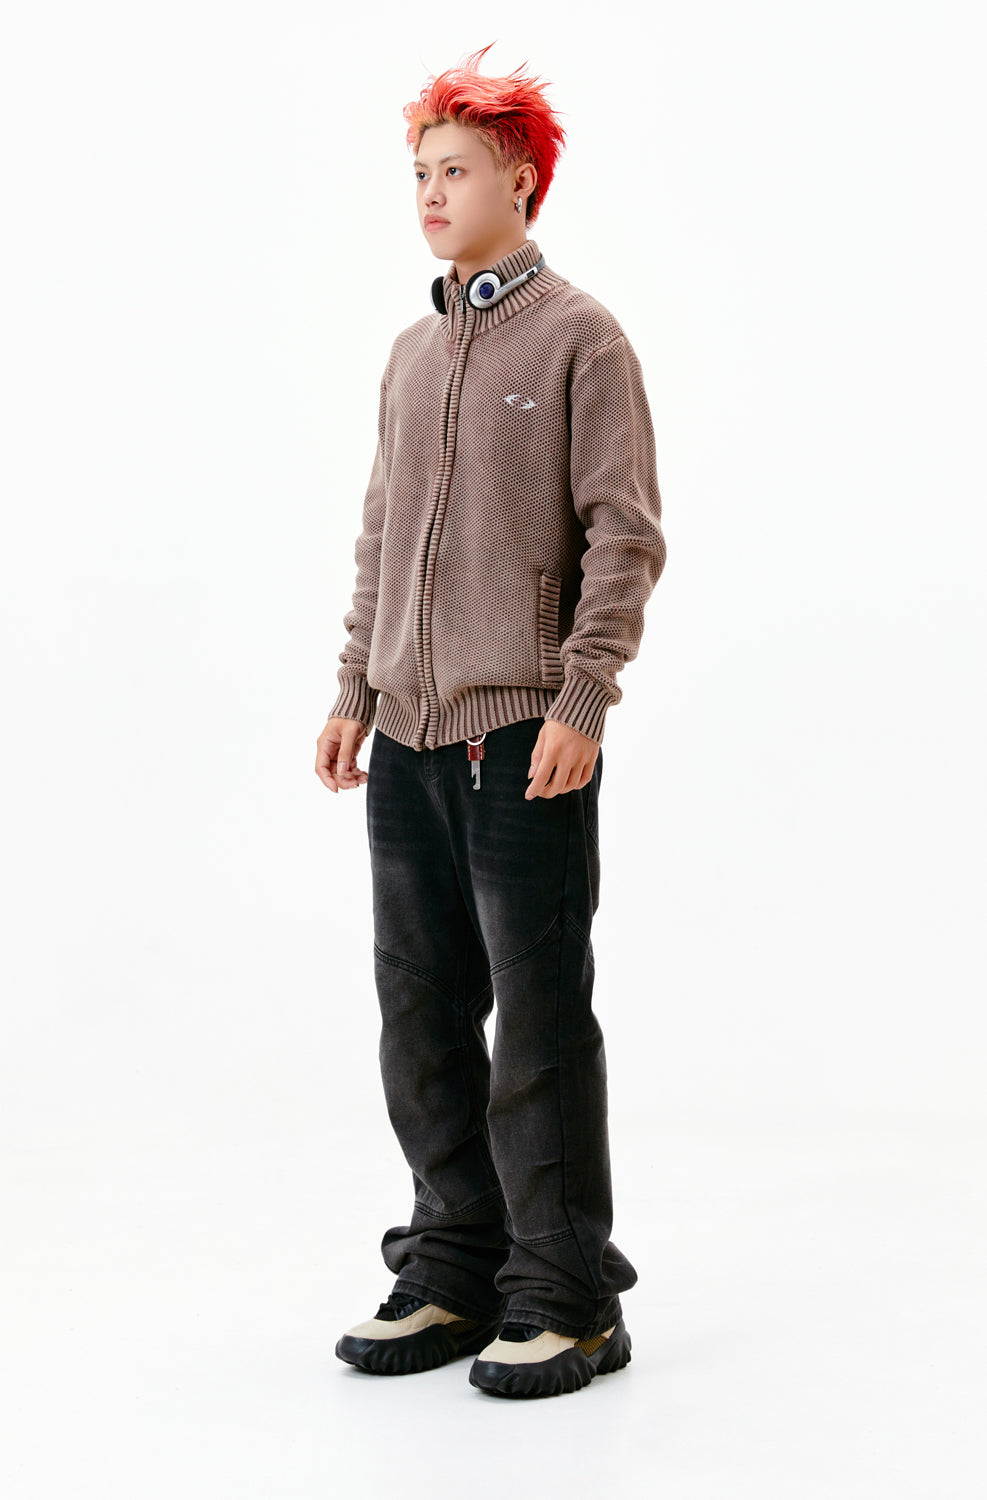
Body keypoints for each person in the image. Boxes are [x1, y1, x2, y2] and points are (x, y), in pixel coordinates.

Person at [314, 44, 667, 1400]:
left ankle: (567, 1294)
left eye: (454, 170)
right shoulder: (411, 356)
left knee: (537, 1016)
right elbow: (381, 536)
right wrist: (354, 689)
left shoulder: (582, 338)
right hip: (408, 735)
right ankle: (456, 1265)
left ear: (520, 182)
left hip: (523, 734)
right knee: (419, 1015)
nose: (429, 193)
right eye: (419, 172)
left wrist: (582, 696)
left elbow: (624, 536)